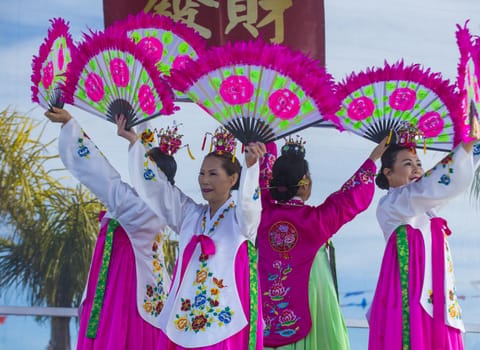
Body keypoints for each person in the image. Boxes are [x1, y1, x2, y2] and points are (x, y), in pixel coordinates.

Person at [117, 114, 266, 349]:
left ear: (233, 178)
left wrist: (251, 166)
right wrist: (134, 143)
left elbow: (250, 204)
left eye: (213, 174)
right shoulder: (190, 215)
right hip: (184, 319)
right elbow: (158, 189)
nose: (204, 180)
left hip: (221, 322)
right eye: (202, 173)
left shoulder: (240, 220)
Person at [44, 107, 175, 349]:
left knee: (119, 337)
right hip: (151, 288)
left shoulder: (133, 204)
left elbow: (99, 172)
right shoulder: (166, 202)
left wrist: (70, 125)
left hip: (124, 286)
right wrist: (141, 125)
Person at [256, 136, 388, 349]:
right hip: (313, 299)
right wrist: (374, 158)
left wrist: (268, 140)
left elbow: (262, 179)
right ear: (305, 183)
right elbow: (350, 197)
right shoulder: (316, 222)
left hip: (267, 310)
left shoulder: (261, 213)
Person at [368, 118, 480, 350]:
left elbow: (445, 184)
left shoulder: (427, 208)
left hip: (437, 295)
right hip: (408, 293)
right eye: (408, 163)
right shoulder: (391, 204)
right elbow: (434, 186)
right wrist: (464, 148)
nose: (417, 169)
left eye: (419, 163)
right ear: (388, 173)